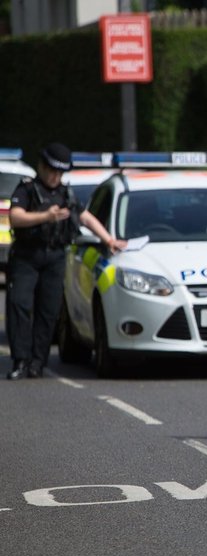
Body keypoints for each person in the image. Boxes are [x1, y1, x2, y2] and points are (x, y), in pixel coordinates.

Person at [5, 143, 126, 380]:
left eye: (59, 173)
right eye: (51, 171)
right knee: (19, 305)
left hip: (55, 258)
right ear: (41, 166)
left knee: (48, 310)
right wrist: (45, 216)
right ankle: (20, 360)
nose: (54, 176)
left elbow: (85, 218)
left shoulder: (65, 194)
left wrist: (109, 239)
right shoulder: (27, 189)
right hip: (27, 256)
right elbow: (15, 218)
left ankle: (37, 362)